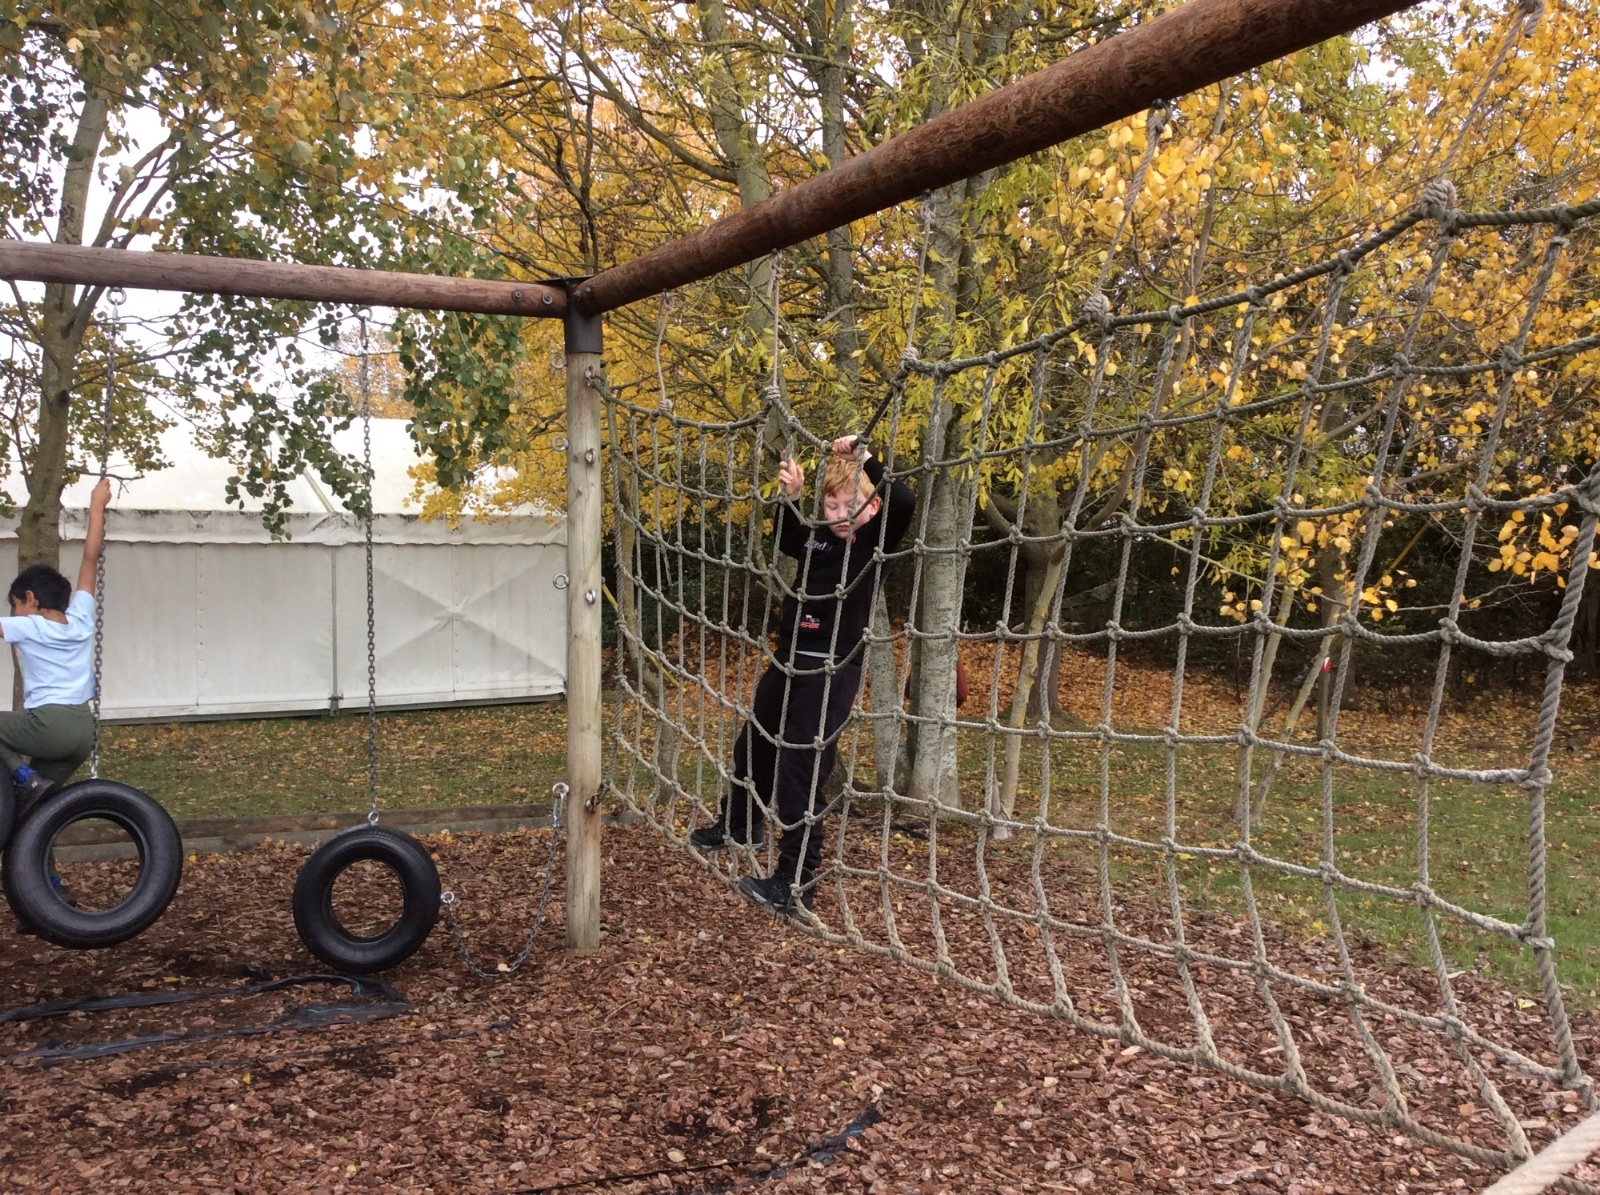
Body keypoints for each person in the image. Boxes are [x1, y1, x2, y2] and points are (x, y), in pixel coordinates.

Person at [689, 435, 915, 917]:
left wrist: (865, 457)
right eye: (831, 506)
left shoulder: (871, 545)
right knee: (754, 745)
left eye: (851, 506)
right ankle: (740, 823)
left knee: (800, 768)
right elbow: (790, 539)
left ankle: (795, 881)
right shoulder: (819, 538)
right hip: (789, 658)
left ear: (872, 508)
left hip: (831, 669)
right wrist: (791, 498)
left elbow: (905, 500)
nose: (840, 515)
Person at [0, 476, 111, 816]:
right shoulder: (79, 618)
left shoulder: (30, 624)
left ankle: (23, 775)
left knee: (28, 791)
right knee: (32, 816)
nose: (15, 614)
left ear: (30, 598)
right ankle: (44, 864)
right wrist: (96, 505)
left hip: (50, 725)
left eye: (16, 605)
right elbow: (90, 558)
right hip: (83, 730)